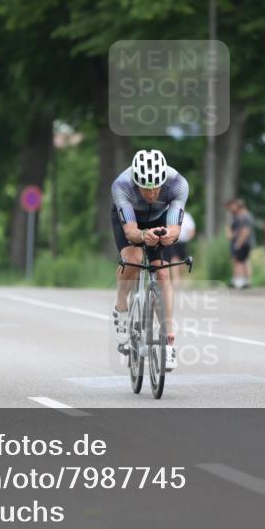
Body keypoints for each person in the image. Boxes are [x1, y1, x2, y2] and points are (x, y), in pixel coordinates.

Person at [111, 149, 188, 371]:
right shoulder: (121, 186)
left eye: (156, 187)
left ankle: (168, 340)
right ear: (136, 182)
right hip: (130, 220)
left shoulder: (177, 184)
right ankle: (121, 307)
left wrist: (165, 235)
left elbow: (175, 229)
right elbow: (131, 232)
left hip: (159, 218)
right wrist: (145, 236)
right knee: (133, 258)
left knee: (162, 271)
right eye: (145, 187)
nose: (152, 193)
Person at [226, 199, 253, 289]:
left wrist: (239, 243)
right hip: (245, 242)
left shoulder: (245, 217)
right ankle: (246, 281)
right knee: (244, 261)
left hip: (243, 242)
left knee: (240, 261)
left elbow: (246, 231)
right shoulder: (243, 216)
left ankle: (240, 281)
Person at [170, 210, 196, 286]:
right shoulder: (172, 214)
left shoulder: (187, 216)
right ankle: (176, 279)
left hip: (183, 242)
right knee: (174, 259)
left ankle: (180, 278)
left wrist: (189, 238)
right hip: (174, 241)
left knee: (182, 261)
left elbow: (192, 229)